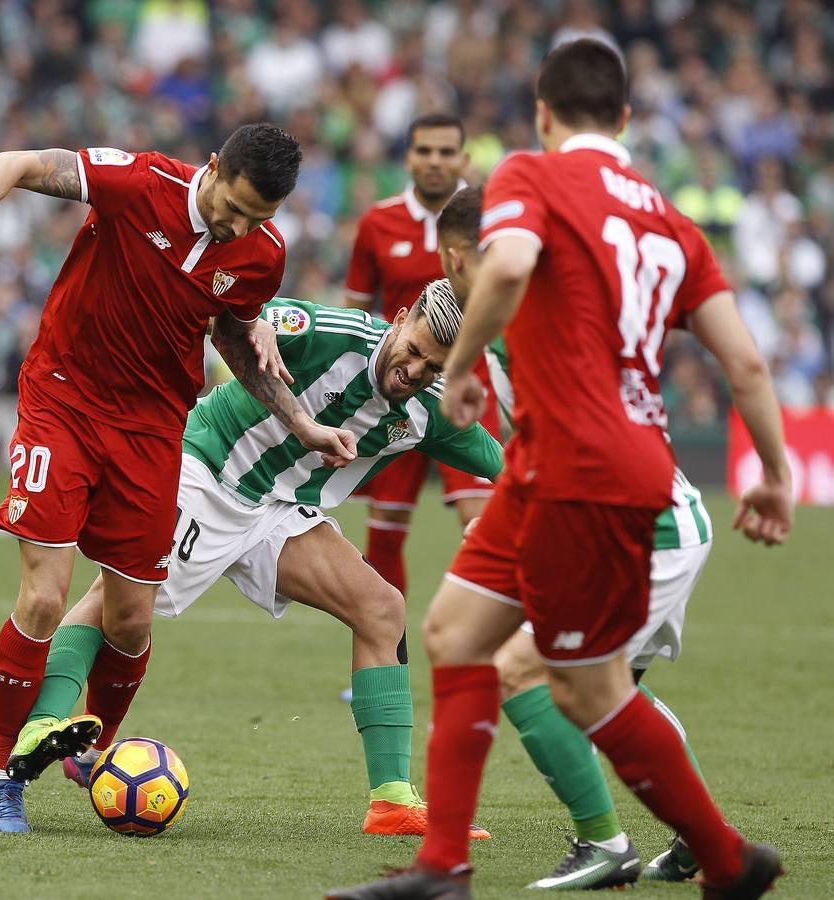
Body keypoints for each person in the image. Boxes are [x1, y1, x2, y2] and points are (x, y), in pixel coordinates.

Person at [327, 39, 793, 900]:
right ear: (623, 117)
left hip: (592, 474)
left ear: (541, 115)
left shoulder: (529, 178)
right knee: (452, 631)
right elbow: (746, 362)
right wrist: (773, 470)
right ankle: (442, 869)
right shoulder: (671, 219)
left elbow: (503, 264)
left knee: (568, 686)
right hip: (552, 469)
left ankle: (713, 858)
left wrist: (460, 366)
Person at [0, 123, 357, 834]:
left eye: (257, 220)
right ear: (212, 167)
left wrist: (301, 424)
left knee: (129, 617)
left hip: (153, 430)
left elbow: (234, 338)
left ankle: (89, 747)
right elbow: (13, 161)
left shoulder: (260, 254)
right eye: (233, 208)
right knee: (43, 597)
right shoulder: (139, 183)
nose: (237, 227)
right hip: (62, 399)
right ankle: (2, 778)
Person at [7, 283, 501, 838]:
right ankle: (45, 721)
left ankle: (392, 803)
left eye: (432, 365)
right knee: (119, 603)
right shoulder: (328, 333)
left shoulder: (429, 409)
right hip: (208, 471)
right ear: (402, 317)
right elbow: (249, 318)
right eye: (413, 349)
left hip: (278, 510)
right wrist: (259, 321)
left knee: (381, 609)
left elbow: (508, 468)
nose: (414, 369)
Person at [439, 186, 715, 890]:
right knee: (601, 694)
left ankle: (605, 844)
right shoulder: (550, 300)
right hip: (647, 519)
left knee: (520, 669)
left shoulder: (512, 310)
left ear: (454, 256)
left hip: (640, 526)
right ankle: (702, 838)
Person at [344, 113, 501, 598]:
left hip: (465, 394)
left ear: (464, 159)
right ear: (409, 157)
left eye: (446, 151)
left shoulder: (491, 223)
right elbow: (353, 313)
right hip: (394, 392)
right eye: (425, 151)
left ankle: (493, 662)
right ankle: (385, 659)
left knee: (486, 528)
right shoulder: (377, 222)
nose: (435, 161)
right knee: (384, 536)